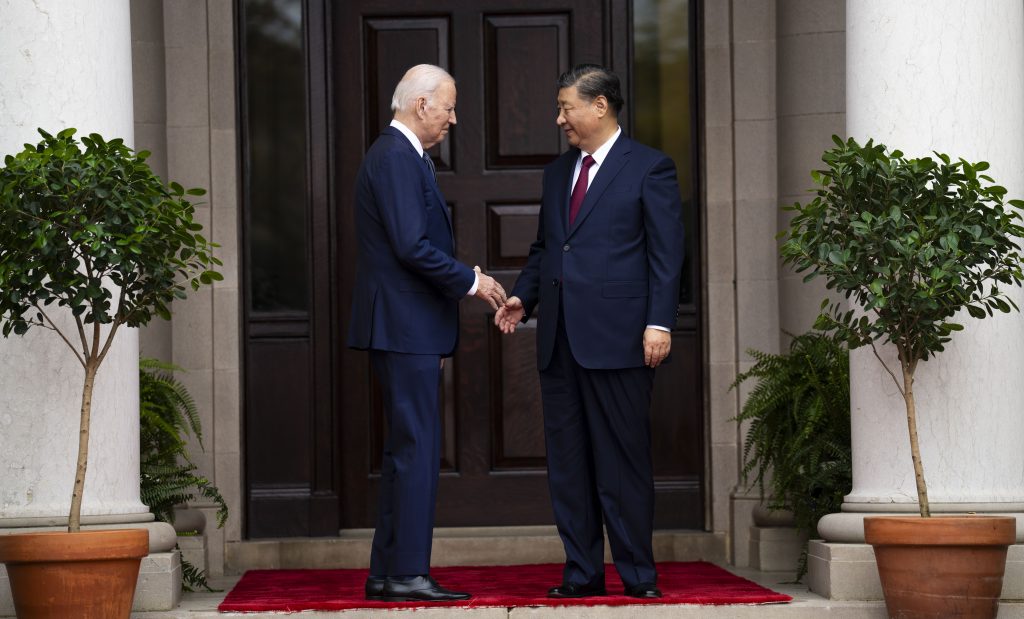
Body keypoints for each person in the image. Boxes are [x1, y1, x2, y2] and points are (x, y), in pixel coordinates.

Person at [495, 64, 685, 599]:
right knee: (569, 466)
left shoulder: (650, 168)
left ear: (599, 106)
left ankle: (638, 577)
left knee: (622, 464)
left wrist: (658, 322)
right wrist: (521, 297)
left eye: (566, 108)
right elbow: (545, 249)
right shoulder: (557, 174)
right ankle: (581, 573)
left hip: (622, 340)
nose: (560, 119)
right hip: (559, 342)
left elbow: (666, 257)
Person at [349, 63, 506, 602]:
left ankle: (388, 573)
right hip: (405, 325)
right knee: (415, 450)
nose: (453, 119)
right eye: (449, 107)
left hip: (406, 325)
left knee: (405, 449)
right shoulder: (396, 156)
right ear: (421, 106)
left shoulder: (401, 156)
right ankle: (408, 573)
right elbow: (410, 246)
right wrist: (473, 281)